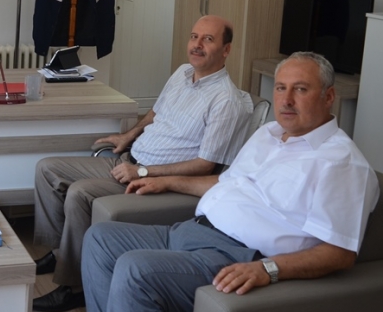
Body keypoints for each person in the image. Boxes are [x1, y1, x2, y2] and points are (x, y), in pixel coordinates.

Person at [81, 51, 380, 312]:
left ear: (328, 96)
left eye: (300, 89)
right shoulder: (268, 134)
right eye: (280, 88)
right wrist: (168, 181)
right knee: (100, 238)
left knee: (136, 269)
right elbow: (225, 183)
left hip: (235, 255)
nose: (287, 100)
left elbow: (339, 253)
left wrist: (268, 269)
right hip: (190, 231)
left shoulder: (342, 163)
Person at [32, 15, 253, 312]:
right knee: (48, 168)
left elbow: (204, 165)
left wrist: (142, 171)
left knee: (79, 193)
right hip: (129, 158)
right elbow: (155, 113)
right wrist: (128, 135)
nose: (197, 44)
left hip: (151, 177)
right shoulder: (183, 72)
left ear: (226, 50)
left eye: (208, 39)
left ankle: (73, 287)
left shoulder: (226, 101)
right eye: (194, 36)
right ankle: (63, 253)